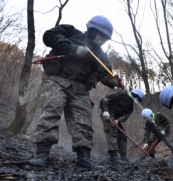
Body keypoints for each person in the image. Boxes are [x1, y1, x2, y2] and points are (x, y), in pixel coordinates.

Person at [29, 15, 122, 171]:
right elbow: (49, 36)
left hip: (80, 88)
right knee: (51, 111)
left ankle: (83, 158)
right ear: (92, 31)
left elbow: (105, 74)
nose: (101, 41)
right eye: (100, 36)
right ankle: (42, 154)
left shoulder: (100, 55)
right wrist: (72, 48)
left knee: (83, 120)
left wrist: (113, 82)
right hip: (56, 79)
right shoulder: (71, 32)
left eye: (104, 39)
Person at [100, 89, 145, 165]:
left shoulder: (130, 106)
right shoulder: (122, 94)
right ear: (134, 94)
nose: (137, 100)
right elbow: (107, 98)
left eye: (139, 100)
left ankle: (123, 157)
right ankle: (113, 157)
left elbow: (125, 116)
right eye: (137, 98)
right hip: (107, 113)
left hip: (116, 117)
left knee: (123, 135)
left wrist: (118, 121)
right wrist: (106, 110)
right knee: (112, 131)